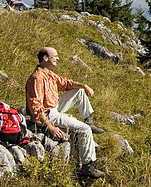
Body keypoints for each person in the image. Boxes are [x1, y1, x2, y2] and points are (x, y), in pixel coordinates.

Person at [25, 47, 105, 178]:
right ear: (45, 58)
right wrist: (50, 127)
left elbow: (65, 83)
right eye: (54, 56)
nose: (58, 58)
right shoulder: (37, 78)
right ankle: (87, 166)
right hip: (48, 114)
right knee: (84, 130)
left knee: (79, 91)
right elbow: (36, 107)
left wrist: (84, 85)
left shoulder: (48, 74)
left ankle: (88, 120)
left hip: (53, 106)